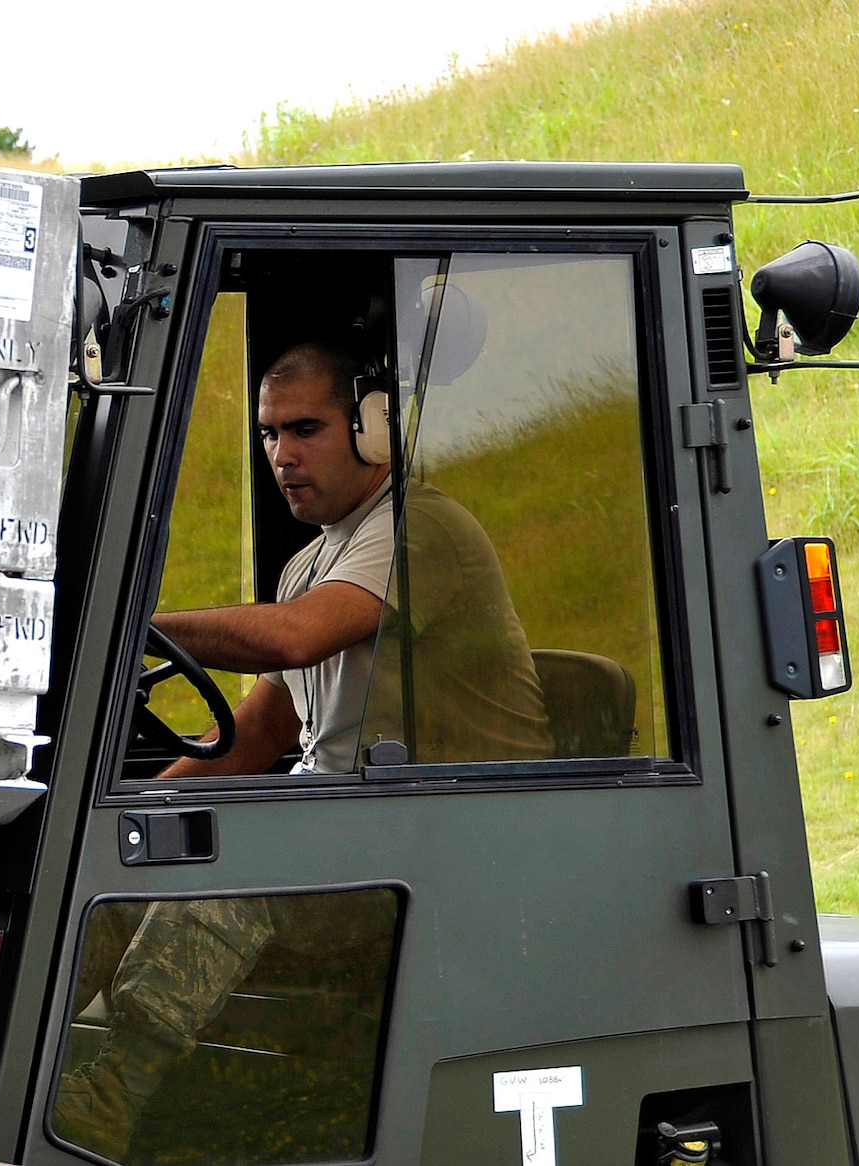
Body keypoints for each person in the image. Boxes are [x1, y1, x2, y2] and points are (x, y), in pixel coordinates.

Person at [51, 342, 550, 1160]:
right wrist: (127, 819)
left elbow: (294, 640)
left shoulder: (422, 529)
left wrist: (122, 623)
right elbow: (257, 736)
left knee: (237, 869)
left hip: (452, 851)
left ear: (373, 428)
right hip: (355, 837)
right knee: (117, 861)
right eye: (269, 434)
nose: (282, 455)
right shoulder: (311, 563)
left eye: (306, 429)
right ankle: (31, 1062)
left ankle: (109, 1101)